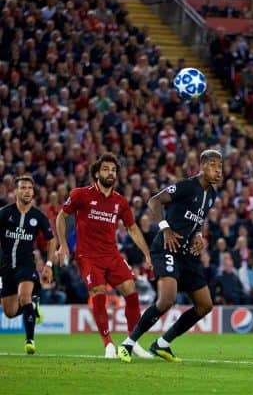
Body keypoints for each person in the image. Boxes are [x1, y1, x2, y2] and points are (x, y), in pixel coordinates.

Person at [117, 149, 222, 363]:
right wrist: (164, 228)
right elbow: (154, 201)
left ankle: (162, 344)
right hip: (167, 247)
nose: (218, 171)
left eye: (220, 167)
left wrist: (199, 235)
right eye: (213, 165)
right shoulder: (186, 186)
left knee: (205, 305)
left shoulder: (211, 195)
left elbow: (198, 219)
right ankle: (128, 344)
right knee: (166, 300)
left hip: (187, 253)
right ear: (201, 166)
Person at [56, 153, 153, 359]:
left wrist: (146, 252)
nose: (111, 173)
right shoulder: (81, 194)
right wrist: (63, 244)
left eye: (114, 170)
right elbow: (61, 217)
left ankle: (131, 341)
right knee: (98, 291)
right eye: (106, 169)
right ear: (97, 172)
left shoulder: (120, 201)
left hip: (112, 254)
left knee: (131, 291)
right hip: (88, 256)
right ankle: (108, 343)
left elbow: (133, 228)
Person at [0, 176, 56, 354]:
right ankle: (32, 304)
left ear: (33, 192)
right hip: (6, 266)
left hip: (26, 265)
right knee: (9, 312)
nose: (27, 191)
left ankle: (29, 341)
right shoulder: (5, 213)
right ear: (16, 191)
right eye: (23, 188)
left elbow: (52, 240)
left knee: (23, 297)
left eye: (30, 188)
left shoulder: (38, 216)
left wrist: (48, 264)